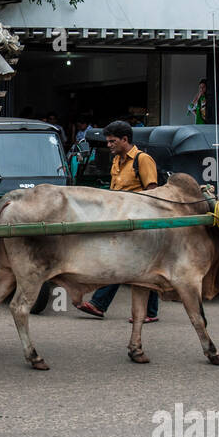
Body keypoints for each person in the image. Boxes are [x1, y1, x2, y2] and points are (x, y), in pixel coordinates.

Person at [75, 120, 161, 322]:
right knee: (137, 265)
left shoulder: (143, 160)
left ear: (125, 140)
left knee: (131, 264)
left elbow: (152, 192)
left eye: (112, 141)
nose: (109, 145)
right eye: (107, 141)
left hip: (139, 222)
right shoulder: (116, 161)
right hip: (120, 220)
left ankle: (102, 304)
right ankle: (147, 312)